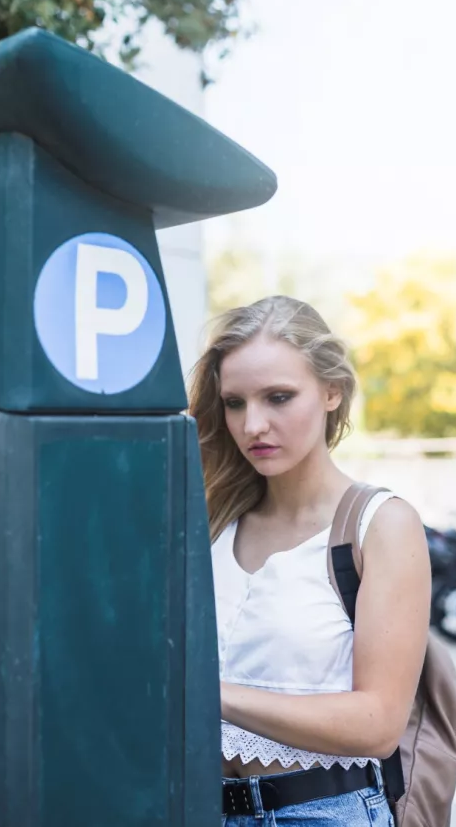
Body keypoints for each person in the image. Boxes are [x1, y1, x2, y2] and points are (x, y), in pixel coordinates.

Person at [188, 295, 431, 827]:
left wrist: (206, 691)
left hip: (324, 813)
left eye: (278, 397)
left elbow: (378, 722)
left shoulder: (380, 525)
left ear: (331, 391)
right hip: (194, 805)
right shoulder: (209, 521)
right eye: (234, 402)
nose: (253, 424)